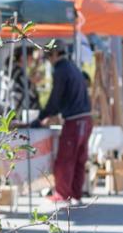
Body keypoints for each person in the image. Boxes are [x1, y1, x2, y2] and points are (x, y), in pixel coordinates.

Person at [35, 42, 94, 203]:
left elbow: (56, 97)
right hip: (86, 118)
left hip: (74, 120)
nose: (49, 61)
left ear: (54, 54)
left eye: (48, 57)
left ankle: (63, 194)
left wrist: (42, 116)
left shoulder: (61, 69)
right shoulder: (72, 66)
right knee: (79, 160)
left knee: (65, 159)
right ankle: (76, 194)